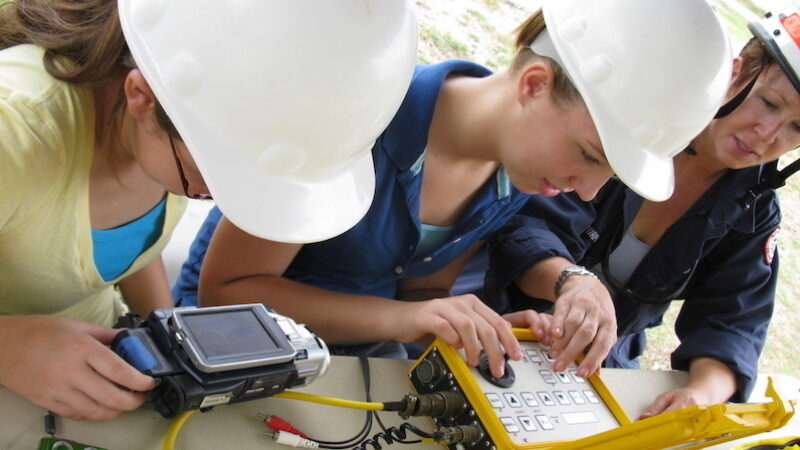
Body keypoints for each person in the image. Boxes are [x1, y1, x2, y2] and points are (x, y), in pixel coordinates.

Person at [173, 0, 733, 381]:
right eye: (590, 156)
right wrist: (404, 322)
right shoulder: (356, 112)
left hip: (345, 365)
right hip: (227, 354)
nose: (587, 194)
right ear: (535, 86)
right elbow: (225, 292)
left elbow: (417, 294)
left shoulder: (508, 178)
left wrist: (466, 324)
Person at [0, 0, 417, 421]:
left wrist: (167, 331)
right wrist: (11, 346)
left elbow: (119, 244)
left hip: (95, 363)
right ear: (141, 96)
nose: (219, 197)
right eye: (213, 179)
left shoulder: (177, 121)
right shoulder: (15, 131)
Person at [481, 4, 800, 419]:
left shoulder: (754, 212)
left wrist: (701, 395)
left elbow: (733, 322)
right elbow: (524, 223)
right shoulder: (634, 123)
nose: (768, 135)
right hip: (502, 307)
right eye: (770, 103)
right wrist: (573, 285)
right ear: (736, 75)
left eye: (797, 128)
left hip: (605, 356)